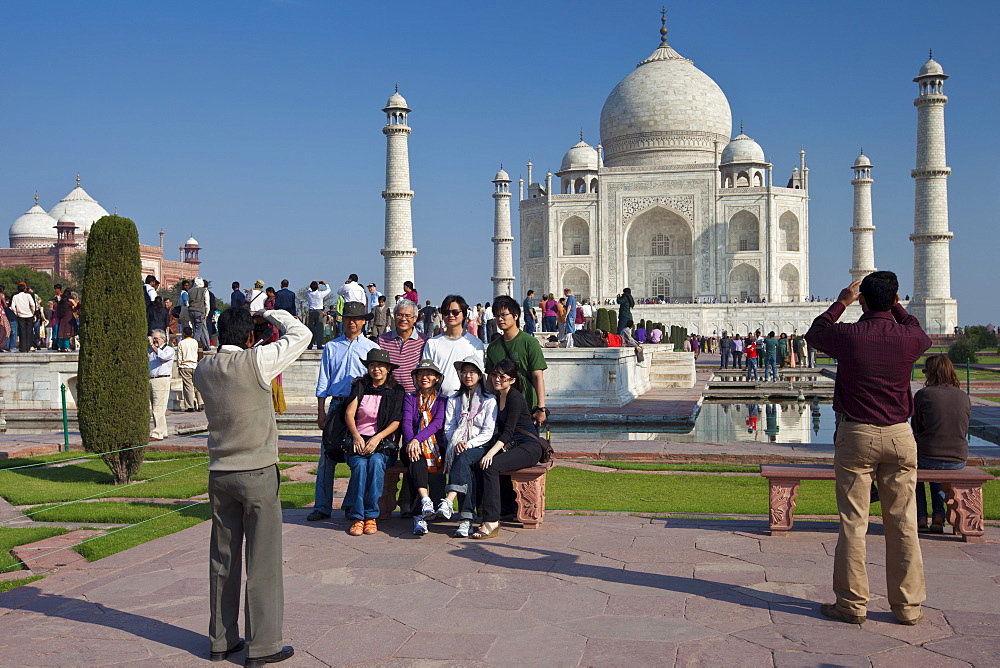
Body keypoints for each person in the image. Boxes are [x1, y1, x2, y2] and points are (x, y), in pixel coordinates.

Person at [806, 272, 931, 626]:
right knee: (904, 523)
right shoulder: (908, 336)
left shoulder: (849, 335)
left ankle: (851, 604)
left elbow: (815, 333)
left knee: (853, 523)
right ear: (895, 300)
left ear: (861, 300)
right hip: (899, 436)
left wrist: (841, 302)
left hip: (857, 435)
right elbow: (921, 332)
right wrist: (898, 309)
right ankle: (908, 606)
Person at [194, 306, 308, 666]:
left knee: (222, 560)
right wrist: (271, 313)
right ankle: (263, 646)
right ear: (249, 337)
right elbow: (301, 334)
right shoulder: (258, 360)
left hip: (220, 472)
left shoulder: (203, 368)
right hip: (257, 470)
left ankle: (221, 639)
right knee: (263, 561)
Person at [311, 301, 379, 521]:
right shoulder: (332, 347)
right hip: (337, 404)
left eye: (357, 318)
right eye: (349, 318)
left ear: (363, 322)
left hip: (360, 407)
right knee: (327, 456)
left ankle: (351, 503)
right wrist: (322, 411)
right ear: (343, 320)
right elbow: (324, 380)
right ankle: (322, 506)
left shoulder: (370, 348)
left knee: (357, 457)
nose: (353, 322)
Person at [472, 358, 544, 539]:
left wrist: (490, 453)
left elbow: (509, 432)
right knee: (479, 464)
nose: (497, 379)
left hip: (529, 447)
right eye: (495, 375)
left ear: (512, 380)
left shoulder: (515, 398)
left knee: (491, 465)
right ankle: (498, 509)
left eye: (502, 377)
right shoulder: (498, 396)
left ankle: (492, 521)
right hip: (513, 446)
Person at [341, 349, 404, 536]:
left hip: (383, 443)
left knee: (376, 463)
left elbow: (396, 421)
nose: (376, 369)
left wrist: (377, 438)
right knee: (360, 466)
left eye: (381, 366)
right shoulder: (360, 386)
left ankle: (371, 516)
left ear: (388, 369)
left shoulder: (396, 390)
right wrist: (356, 436)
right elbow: (349, 414)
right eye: (373, 365)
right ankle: (358, 517)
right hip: (358, 440)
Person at [440, 353, 498, 537]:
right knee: (463, 464)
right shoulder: (454, 399)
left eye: (472, 372)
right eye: (464, 372)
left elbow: (487, 432)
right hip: (458, 446)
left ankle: (450, 500)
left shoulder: (489, 400)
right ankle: (465, 520)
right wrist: (457, 442)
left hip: (480, 447)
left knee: (463, 457)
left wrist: (468, 443)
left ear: (480, 375)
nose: (468, 376)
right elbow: (449, 427)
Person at [912, 355, 971, 533]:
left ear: (931, 373)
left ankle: (921, 517)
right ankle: (938, 516)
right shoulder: (963, 396)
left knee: (911, 470)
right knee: (937, 472)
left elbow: (916, 428)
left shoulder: (924, 395)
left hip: (929, 456)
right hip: (958, 457)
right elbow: (964, 428)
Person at [485, 295, 548, 425]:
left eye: (504, 315)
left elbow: (537, 376)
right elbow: (491, 379)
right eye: (497, 316)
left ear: (515, 316)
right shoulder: (493, 347)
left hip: (526, 406)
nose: (500, 319)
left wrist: (541, 408)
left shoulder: (529, 342)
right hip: (501, 407)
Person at [402, 360, 447, 535]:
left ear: (436, 378)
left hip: (435, 445)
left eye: (429, 374)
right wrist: (411, 443)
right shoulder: (410, 397)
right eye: (420, 374)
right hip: (410, 444)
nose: (424, 378)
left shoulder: (442, 400)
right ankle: (424, 504)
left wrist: (417, 440)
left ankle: (420, 511)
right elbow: (406, 422)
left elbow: (437, 424)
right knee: (415, 459)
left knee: (417, 465)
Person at [422, 295, 485, 396]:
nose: (451, 315)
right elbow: (426, 373)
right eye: (446, 313)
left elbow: (479, 375)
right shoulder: (432, 343)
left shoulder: (475, 344)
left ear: (464, 314)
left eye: (455, 312)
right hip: (438, 401)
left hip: (466, 401)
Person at [377, 298, 427, 393]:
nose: (403, 319)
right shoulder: (382, 340)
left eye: (408, 315)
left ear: (415, 318)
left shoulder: (424, 341)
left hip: (414, 397)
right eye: (399, 315)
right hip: (389, 395)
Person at [148, 329, 175, 441]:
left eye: (156, 339)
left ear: (162, 339)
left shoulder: (168, 350)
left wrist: (153, 347)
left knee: (158, 408)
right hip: (151, 379)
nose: (154, 341)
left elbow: (163, 357)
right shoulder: (151, 350)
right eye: (153, 338)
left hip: (161, 380)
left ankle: (157, 432)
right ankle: (163, 432)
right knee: (156, 407)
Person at [177, 325, 202, 412]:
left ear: (184, 334)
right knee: (197, 385)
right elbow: (199, 353)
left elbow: (179, 356)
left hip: (185, 365)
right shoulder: (195, 342)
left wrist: (179, 366)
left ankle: (190, 406)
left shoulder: (181, 343)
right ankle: (200, 403)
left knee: (188, 386)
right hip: (194, 365)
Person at [188, 278, 212, 350]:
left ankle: (203, 345)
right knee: (198, 330)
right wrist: (206, 314)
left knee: (195, 329)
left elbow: (187, 302)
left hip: (191, 311)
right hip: (200, 311)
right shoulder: (204, 291)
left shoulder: (190, 291)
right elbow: (207, 303)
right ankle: (196, 346)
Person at [306, 280, 330, 350]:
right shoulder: (320, 294)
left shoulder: (309, 293)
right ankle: (319, 344)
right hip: (319, 311)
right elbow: (328, 290)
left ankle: (310, 344)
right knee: (319, 329)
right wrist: (325, 284)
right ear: (317, 288)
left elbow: (309, 289)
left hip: (311, 311)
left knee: (311, 329)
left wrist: (316, 283)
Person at [11, 283, 36, 352]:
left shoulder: (15, 296)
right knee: (29, 331)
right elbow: (32, 304)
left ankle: (22, 348)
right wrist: (32, 312)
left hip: (20, 315)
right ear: (24, 289)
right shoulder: (28, 295)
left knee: (22, 332)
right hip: (29, 315)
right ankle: (28, 347)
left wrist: (16, 312)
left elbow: (12, 307)